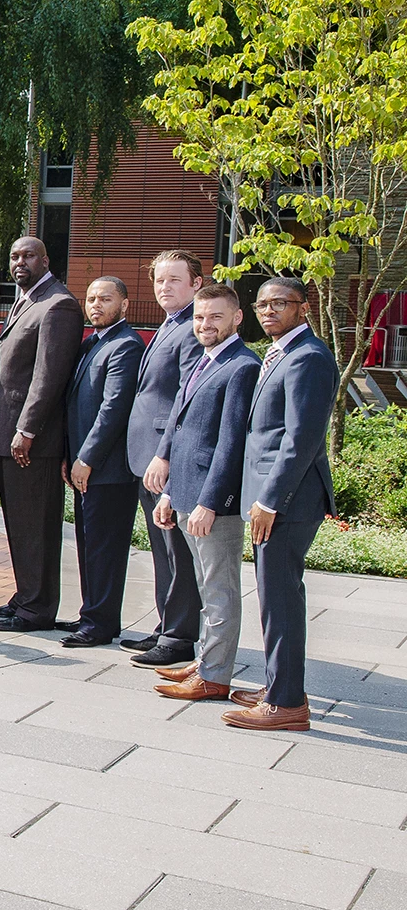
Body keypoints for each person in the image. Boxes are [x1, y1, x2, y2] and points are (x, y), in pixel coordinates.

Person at [226, 278, 335, 732]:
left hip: (288, 500)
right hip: (274, 496)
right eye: (263, 304)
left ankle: (287, 703)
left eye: (280, 304)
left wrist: (269, 500)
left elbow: (301, 439)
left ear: (304, 308)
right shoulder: (282, 352)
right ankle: (279, 686)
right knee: (275, 597)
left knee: (281, 600)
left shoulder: (308, 357)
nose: (268, 311)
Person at [147, 285, 259, 701]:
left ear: (236, 318)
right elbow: (182, 432)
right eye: (199, 317)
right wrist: (170, 494)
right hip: (187, 493)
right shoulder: (204, 360)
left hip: (214, 502)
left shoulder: (242, 365)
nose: (204, 324)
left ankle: (214, 677)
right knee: (203, 586)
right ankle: (206, 661)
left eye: (214, 317)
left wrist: (210, 502)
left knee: (220, 590)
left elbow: (230, 444)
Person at [0, 236, 83, 632]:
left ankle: (37, 609)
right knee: (20, 525)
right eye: (13, 256)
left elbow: (48, 376)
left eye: (28, 255)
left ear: (45, 260)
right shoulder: (27, 300)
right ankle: (25, 597)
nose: (19, 262)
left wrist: (26, 428)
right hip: (11, 438)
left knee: (36, 529)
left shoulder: (58, 305)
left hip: (33, 442)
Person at [122, 250, 206, 665]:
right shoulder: (168, 325)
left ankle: (179, 637)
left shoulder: (192, 329)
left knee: (177, 550)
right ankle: (166, 625)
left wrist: (165, 455)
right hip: (147, 457)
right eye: (159, 280)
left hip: (164, 460)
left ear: (196, 284)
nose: (164, 287)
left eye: (175, 279)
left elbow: (185, 400)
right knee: (162, 549)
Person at [62, 277, 144, 646]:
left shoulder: (125, 345)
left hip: (108, 470)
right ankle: (92, 615)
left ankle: (99, 624)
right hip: (84, 467)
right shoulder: (91, 344)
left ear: (124, 305)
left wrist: (87, 458)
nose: (95, 305)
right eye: (91, 299)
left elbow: (113, 409)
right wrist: (71, 457)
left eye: (105, 299)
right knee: (88, 544)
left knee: (104, 549)